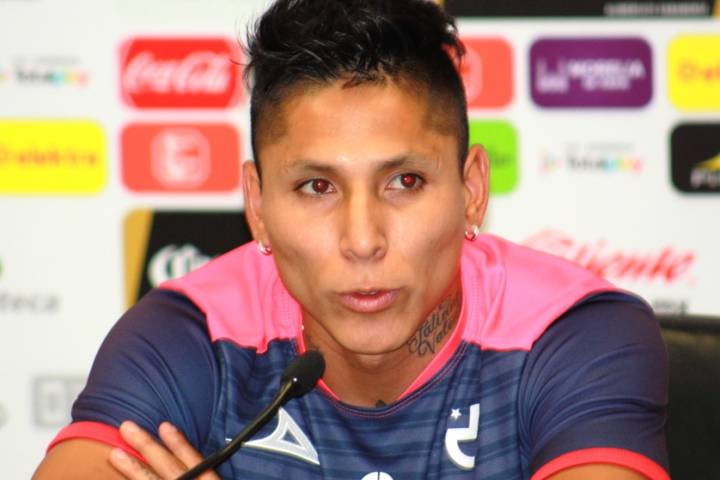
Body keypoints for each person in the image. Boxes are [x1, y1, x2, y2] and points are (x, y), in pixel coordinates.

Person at [33, 0, 669, 478]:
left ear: (472, 188)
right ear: (257, 205)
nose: (363, 240)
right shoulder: (189, 333)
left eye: (405, 181)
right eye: (317, 187)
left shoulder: (574, 334)